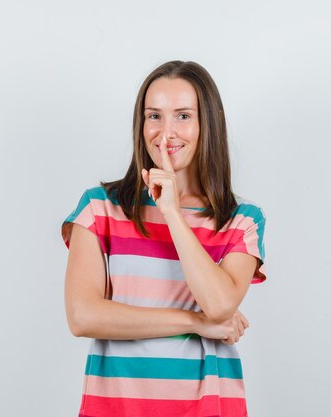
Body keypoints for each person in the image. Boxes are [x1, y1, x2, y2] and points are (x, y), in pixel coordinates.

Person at [60, 60, 267, 417]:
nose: (166, 132)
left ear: (207, 125)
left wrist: (172, 212)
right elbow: (83, 316)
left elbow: (219, 306)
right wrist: (194, 322)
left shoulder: (242, 219)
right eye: (154, 116)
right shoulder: (99, 208)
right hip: (116, 407)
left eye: (183, 116)